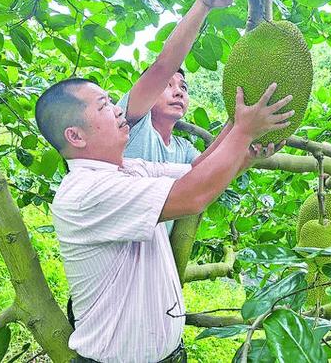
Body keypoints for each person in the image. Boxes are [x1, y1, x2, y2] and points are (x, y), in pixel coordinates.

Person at [35, 78, 292, 362]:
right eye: (104, 106)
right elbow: (192, 196)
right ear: (76, 136)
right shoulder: (86, 192)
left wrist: (240, 135)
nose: (118, 110)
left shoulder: (130, 170)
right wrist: (243, 132)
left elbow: (196, 171)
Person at [117, 0, 235, 234]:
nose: (179, 91)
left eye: (183, 86)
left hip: (157, 256)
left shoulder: (182, 149)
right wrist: (205, 2)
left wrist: (239, 122)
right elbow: (162, 67)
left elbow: (204, 169)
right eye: (167, 86)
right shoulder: (131, 124)